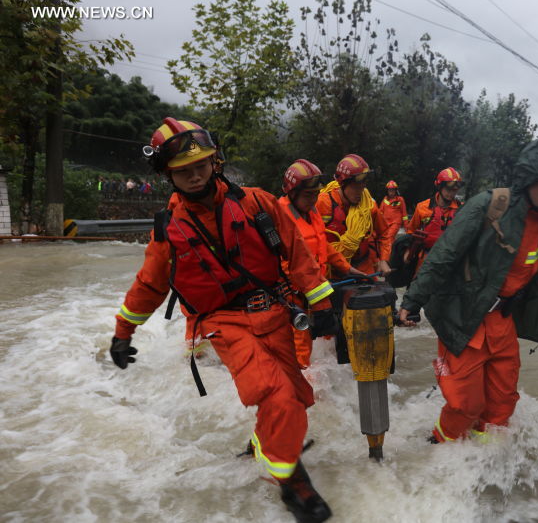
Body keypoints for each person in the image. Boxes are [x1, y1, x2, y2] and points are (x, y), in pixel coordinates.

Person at [109, 117, 335, 523]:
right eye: (183, 171)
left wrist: (321, 305)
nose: (195, 176)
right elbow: (149, 285)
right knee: (281, 399)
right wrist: (123, 333)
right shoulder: (169, 230)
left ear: (215, 163)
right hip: (221, 323)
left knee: (297, 395)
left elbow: (297, 251)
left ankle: (261, 442)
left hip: (274, 311)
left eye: (201, 166)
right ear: (167, 175)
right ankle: (290, 481)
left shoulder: (256, 203)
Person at [398, 138, 538, 444]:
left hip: (502, 324)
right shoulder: (490, 205)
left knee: (501, 406)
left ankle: (483, 465)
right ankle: (439, 450)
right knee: (464, 404)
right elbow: (444, 254)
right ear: (531, 178)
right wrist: (411, 301)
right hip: (463, 319)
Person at [278, 159, 365, 368]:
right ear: (292, 192)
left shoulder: (313, 211)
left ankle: (323, 384)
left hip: (316, 291)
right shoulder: (279, 216)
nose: (313, 199)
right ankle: (305, 393)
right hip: (294, 297)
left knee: (327, 338)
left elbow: (323, 244)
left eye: (316, 194)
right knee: (300, 350)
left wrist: (346, 268)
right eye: (308, 195)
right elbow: (282, 263)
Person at [316, 154, 392, 275]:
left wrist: (383, 260)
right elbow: (311, 240)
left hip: (363, 267)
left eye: (363, 184)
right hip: (331, 271)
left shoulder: (368, 206)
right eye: (356, 186)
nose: (361, 191)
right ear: (342, 184)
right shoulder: (322, 203)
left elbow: (384, 234)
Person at [405, 167, 463, 272]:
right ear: (440, 187)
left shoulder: (462, 210)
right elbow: (410, 232)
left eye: (454, 190)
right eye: (448, 189)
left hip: (450, 262)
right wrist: (408, 253)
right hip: (426, 260)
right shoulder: (422, 207)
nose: (451, 194)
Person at [378, 180, 409, 244]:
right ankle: (392, 251)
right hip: (386, 223)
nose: (391, 192)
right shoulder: (384, 199)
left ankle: (389, 253)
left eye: (393, 190)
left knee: (389, 237)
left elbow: (404, 214)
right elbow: (380, 212)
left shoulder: (400, 199)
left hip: (395, 222)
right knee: (384, 239)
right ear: (387, 191)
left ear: (396, 191)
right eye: (390, 190)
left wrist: (407, 228)